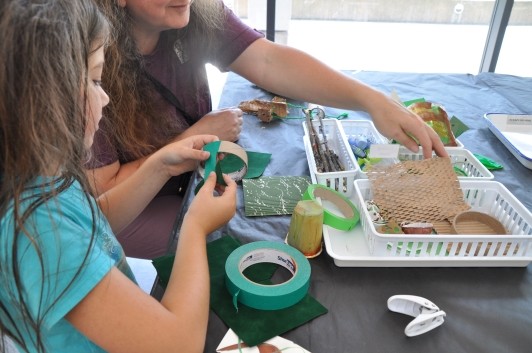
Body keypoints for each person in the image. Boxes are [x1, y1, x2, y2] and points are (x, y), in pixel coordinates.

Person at [88, 0, 449, 259]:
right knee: (260, 243)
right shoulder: (87, 66)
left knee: (293, 213)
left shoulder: (194, 14)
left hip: (192, 172)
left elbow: (267, 59)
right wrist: (191, 137)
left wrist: (370, 100)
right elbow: (104, 203)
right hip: (129, 209)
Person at [0, 1, 236, 352]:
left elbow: (95, 220)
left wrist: (161, 165)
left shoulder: (40, 179)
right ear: (47, 97)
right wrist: (195, 228)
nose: (106, 96)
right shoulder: (42, 235)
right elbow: (179, 344)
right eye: (95, 80)